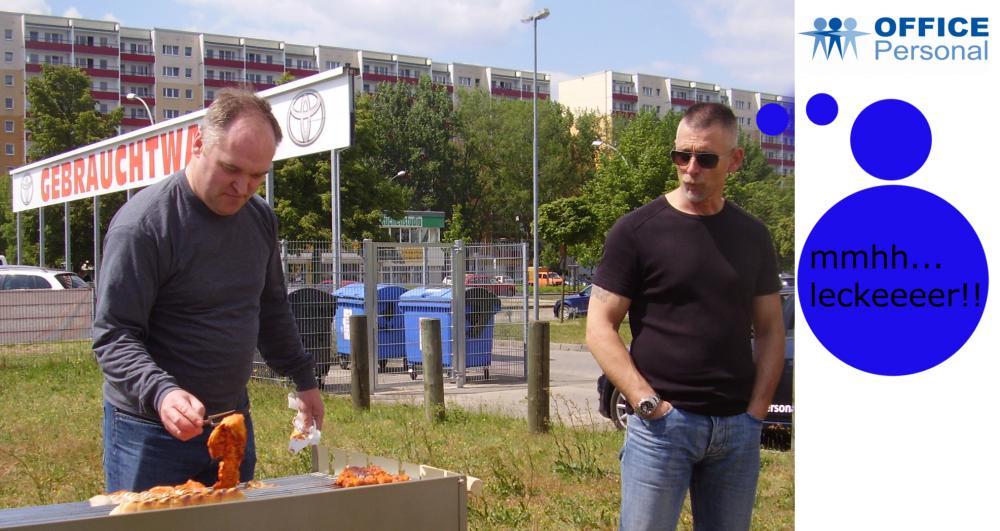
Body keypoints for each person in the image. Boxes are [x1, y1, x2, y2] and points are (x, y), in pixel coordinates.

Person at [93, 88, 324, 493]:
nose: (243, 187)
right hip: (149, 433)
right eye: (231, 169)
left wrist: (303, 380)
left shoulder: (259, 220)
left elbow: (270, 309)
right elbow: (114, 335)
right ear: (198, 144)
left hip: (232, 421)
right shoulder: (144, 226)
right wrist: (161, 393)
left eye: (257, 176)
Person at [586, 102, 785, 531]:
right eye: (682, 156)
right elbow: (599, 326)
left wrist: (756, 413)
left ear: (734, 161)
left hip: (736, 430)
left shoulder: (753, 236)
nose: (691, 168)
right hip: (661, 431)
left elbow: (770, 328)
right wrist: (649, 404)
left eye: (705, 158)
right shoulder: (637, 231)